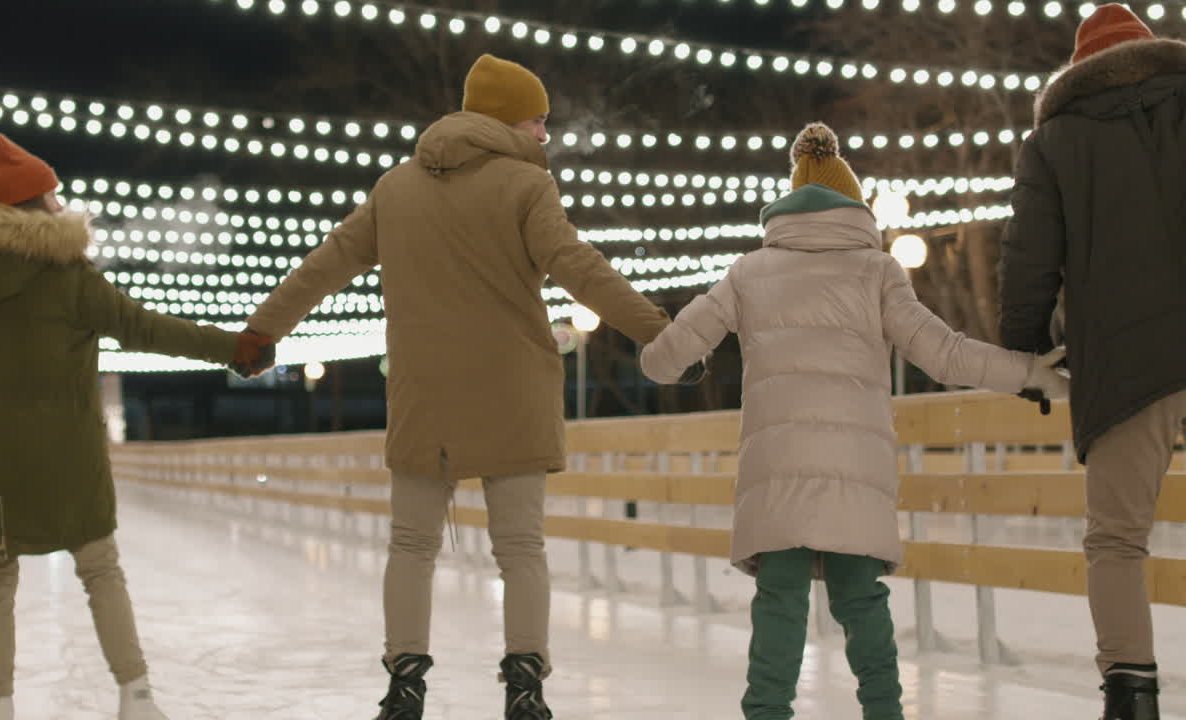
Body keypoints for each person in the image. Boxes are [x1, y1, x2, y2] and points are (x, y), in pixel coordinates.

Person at [243, 54, 670, 720]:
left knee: (411, 546)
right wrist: (656, 331)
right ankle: (525, 685)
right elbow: (578, 268)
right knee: (521, 548)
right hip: (513, 392)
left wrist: (261, 333)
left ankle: (405, 682)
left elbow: (324, 263)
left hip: (425, 397)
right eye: (537, 120)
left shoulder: (394, 188)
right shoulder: (527, 188)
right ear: (506, 121)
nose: (545, 135)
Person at [641, 123, 1069, 720]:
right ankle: (885, 713)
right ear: (855, 207)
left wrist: (666, 354)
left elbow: (661, 361)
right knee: (861, 599)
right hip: (855, 468)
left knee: (780, 600)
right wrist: (1031, 373)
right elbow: (944, 354)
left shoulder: (748, 272)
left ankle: (766, 712)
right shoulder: (878, 270)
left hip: (778, 468)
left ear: (787, 207)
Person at [0, 133, 275, 720]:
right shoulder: (69, 275)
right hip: (66, 463)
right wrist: (235, 349)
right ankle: (137, 697)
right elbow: (148, 328)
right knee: (100, 569)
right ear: (43, 204)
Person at [998, 5, 1186, 718]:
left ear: (1078, 72)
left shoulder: (1055, 140)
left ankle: (1132, 695)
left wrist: (1023, 349)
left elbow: (1029, 257)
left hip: (1127, 359)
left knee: (1116, 538)